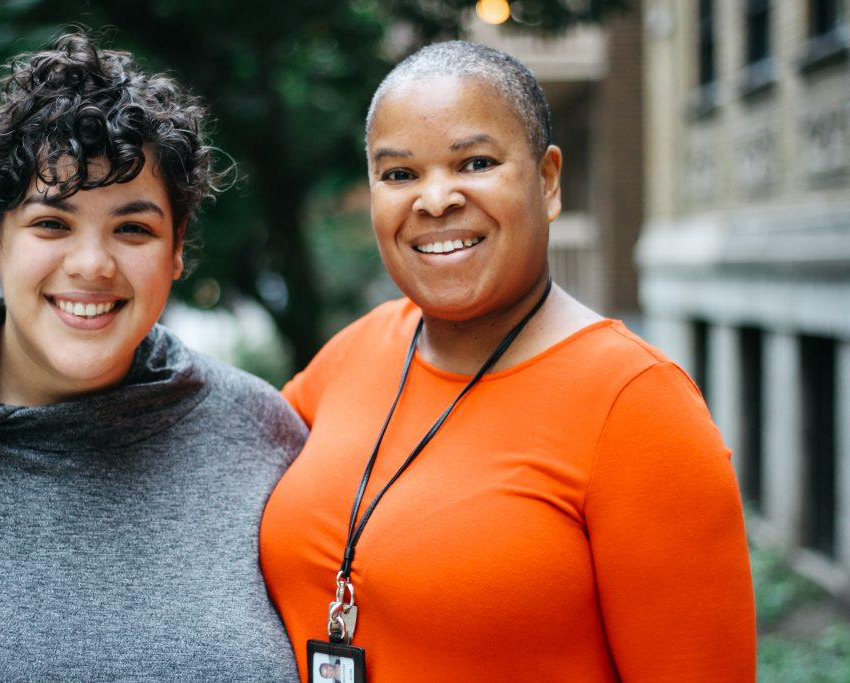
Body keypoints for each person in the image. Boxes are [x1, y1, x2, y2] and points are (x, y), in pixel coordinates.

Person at [260, 40, 756, 681]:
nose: (434, 200)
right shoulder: (357, 349)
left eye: (475, 162)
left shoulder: (635, 403)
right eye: (399, 174)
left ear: (548, 180)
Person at [0, 32, 304, 681]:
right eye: (53, 223)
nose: (92, 264)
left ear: (177, 248)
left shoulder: (260, 432)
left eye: (133, 228)